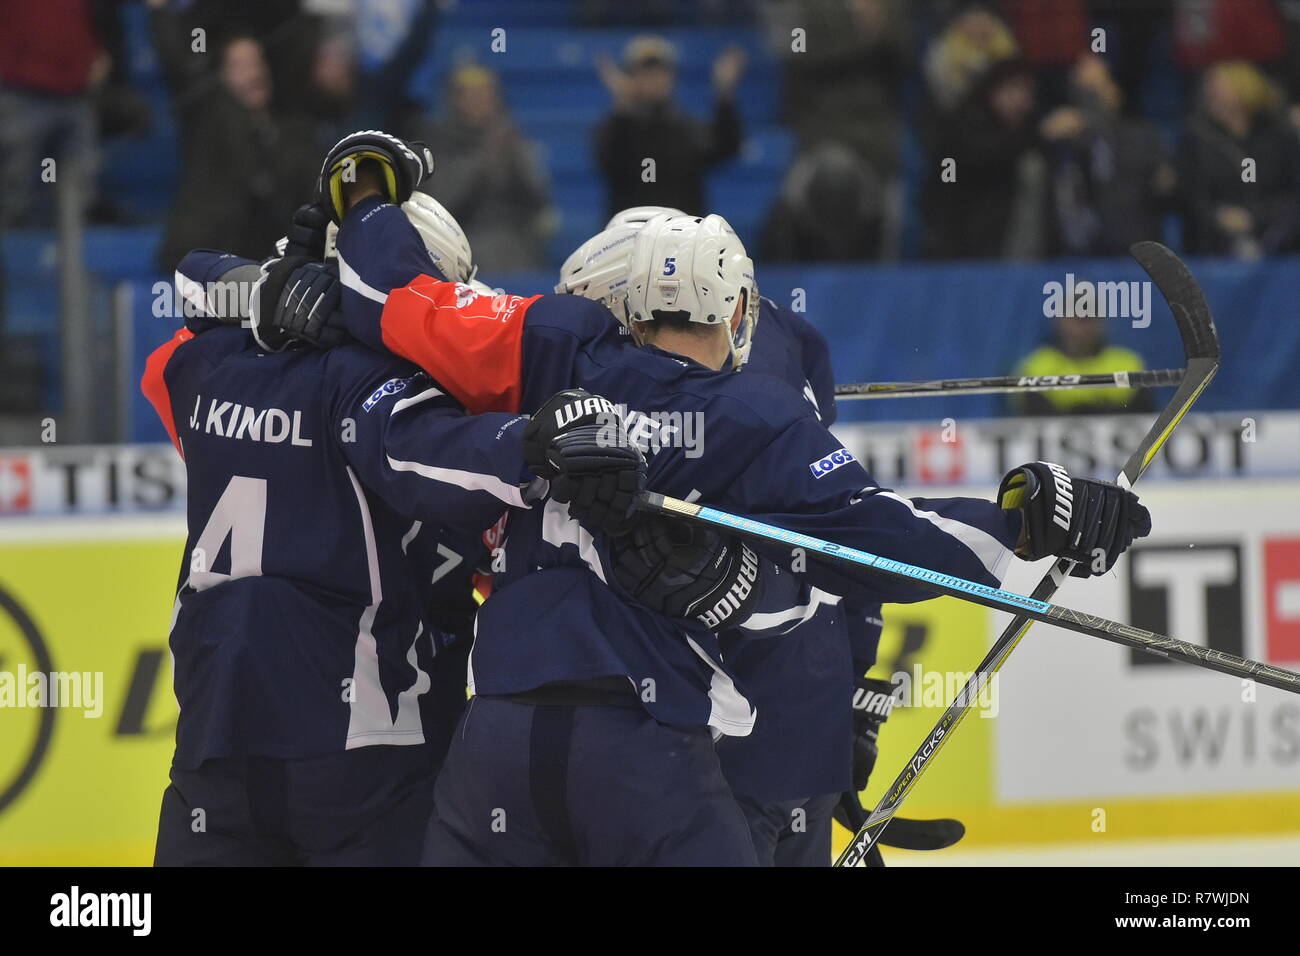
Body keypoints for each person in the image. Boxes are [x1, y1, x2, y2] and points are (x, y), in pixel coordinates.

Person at [276, 143, 1151, 864]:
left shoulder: (542, 343)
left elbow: (399, 300)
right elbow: (884, 541)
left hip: (496, 745)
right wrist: (1030, 518)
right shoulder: (752, 413)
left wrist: (365, 194)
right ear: (732, 310)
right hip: (651, 751)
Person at [142, 132, 635, 865]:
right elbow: (429, 454)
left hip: (217, 732)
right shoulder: (367, 384)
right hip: (362, 748)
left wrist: (259, 288)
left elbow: (185, 292)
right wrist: (535, 446)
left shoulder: (200, 365)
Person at [560, 206, 883, 866]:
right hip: (804, 713)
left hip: (712, 736)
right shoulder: (790, 337)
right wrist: (855, 694)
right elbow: (844, 519)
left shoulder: (638, 383)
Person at [410, 64, 554, 273]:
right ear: (456, 100)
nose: (482, 102)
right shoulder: (437, 143)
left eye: (487, 94)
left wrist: (518, 158)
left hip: (515, 239)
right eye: (472, 96)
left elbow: (539, 202)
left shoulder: (511, 138)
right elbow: (442, 203)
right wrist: (483, 160)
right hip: (464, 238)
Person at [594, 35, 746, 218]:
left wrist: (724, 95)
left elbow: (726, 148)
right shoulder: (618, 127)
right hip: (629, 238)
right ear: (631, 77)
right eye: (645, 72)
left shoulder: (687, 128)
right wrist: (623, 107)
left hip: (684, 237)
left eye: (660, 72)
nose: (654, 79)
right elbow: (607, 161)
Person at [1040, 54, 1176, 256]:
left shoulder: (1143, 135)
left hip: (1136, 245)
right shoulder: (1063, 134)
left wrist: (1166, 180)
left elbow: (1169, 186)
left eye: (1098, 88)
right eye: (1085, 89)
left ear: (1115, 92)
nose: (1092, 97)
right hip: (1079, 252)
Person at [1011, 305, 1154, 416]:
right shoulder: (1038, 366)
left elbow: (1145, 418)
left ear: (1101, 321)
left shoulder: (1128, 363)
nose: (1083, 329)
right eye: (1077, 318)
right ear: (1060, 320)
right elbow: (1033, 421)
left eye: (1089, 318)